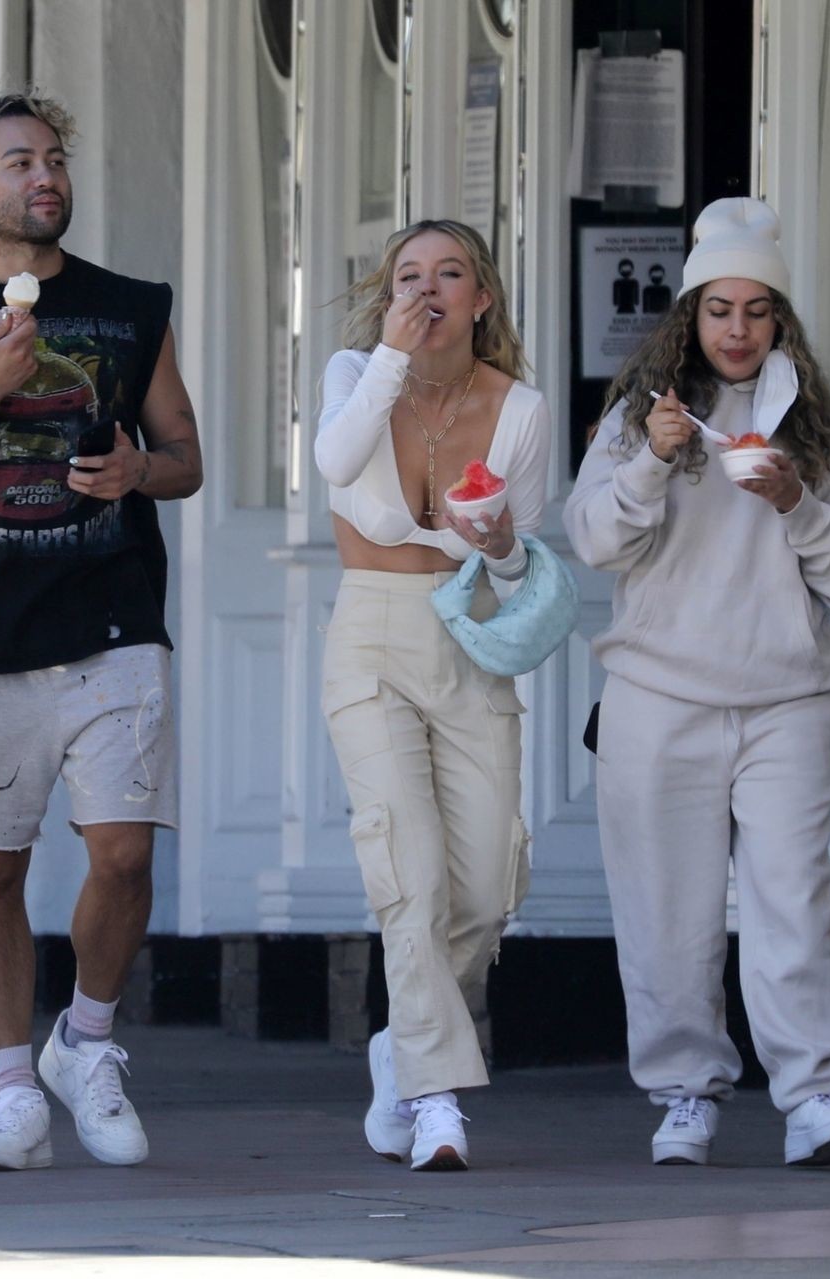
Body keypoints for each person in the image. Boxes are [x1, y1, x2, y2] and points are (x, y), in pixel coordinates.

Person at [0, 89, 202, 1174]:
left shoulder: (131, 308)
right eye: (20, 162)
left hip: (112, 618)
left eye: (55, 158)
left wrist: (139, 470)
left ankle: (88, 1042)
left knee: (123, 852)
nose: (46, 176)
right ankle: (13, 1092)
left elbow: (186, 459)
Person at [563, 197, 830, 1169]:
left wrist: (796, 501)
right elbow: (592, 541)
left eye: (756, 310)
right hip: (658, 698)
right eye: (718, 310)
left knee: (796, 904)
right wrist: (653, 465)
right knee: (666, 911)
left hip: (789, 700)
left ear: (779, 319)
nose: (737, 330)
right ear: (691, 315)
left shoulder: (819, 432)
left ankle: (814, 1095)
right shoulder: (643, 418)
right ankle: (684, 1094)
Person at [315, 218, 551, 1172]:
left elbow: (518, 561)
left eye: (449, 273)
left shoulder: (519, 409)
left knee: (486, 888)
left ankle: (404, 1044)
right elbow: (336, 463)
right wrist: (390, 358)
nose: (427, 288)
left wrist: (494, 541)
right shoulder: (354, 373)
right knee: (406, 868)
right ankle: (437, 1099)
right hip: (369, 635)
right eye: (408, 275)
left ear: (480, 297)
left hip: (467, 637)